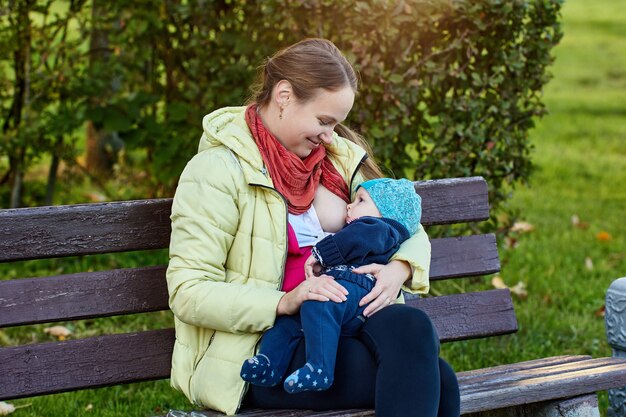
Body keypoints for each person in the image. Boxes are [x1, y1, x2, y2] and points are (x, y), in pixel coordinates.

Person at [166, 38, 460, 416]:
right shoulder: (217, 171)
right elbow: (189, 291)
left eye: (336, 124)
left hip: (342, 320)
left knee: (413, 328)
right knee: (436, 379)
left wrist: (398, 269)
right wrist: (286, 300)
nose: (329, 135)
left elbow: (406, 225)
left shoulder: (336, 161)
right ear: (285, 96)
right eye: (323, 121)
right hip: (265, 351)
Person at [240, 178, 422, 394]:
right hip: (347, 295)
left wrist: (321, 254)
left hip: (356, 286)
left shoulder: (377, 228)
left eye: (360, 201)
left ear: (388, 212)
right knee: (287, 324)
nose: (350, 205)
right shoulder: (375, 226)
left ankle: (320, 369)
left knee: (318, 303)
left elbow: (354, 239)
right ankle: (268, 364)